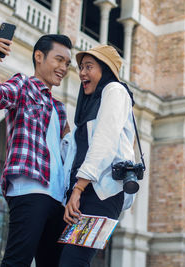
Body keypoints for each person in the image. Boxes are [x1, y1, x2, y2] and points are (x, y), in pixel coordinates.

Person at [0, 33, 72, 267]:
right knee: (17, 262)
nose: (63, 67)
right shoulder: (23, 84)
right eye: (59, 60)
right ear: (38, 57)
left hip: (58, 197)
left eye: (67, 63)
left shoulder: (59, 109)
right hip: (30, 189)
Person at [59, 45, 137, 266]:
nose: (82, 72)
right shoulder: (92, 104)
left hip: (102, 195)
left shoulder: (115, 90)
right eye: (81, 67)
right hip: (84, 193)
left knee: (73, 261)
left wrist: (78, 188)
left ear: (105, 70)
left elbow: (105, 142)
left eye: (89, 67)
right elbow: (79, 151)